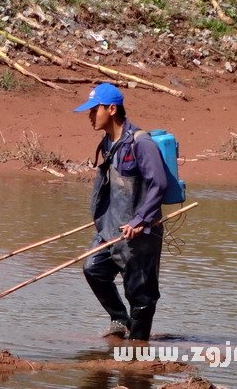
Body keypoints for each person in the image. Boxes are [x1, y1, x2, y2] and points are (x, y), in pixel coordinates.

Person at [74, 83, 167, 341]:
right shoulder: (108, 143)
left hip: (140, 234)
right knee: (93, 269)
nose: (90, 116)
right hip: (112, 228)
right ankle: (120, 320)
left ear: (112, 109)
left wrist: (140, 219)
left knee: (140, 295)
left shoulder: (141, 143)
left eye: (94, 110)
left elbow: (159, 183)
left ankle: (136, 350)